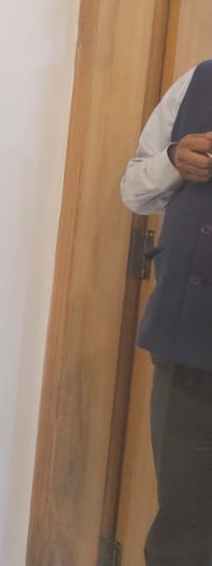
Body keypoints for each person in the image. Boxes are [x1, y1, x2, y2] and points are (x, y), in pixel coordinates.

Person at [122, 64, 212, 565]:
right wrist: (174, 160)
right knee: (184, 535)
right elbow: (134, 191)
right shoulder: (200, 83)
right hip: (191, 348)